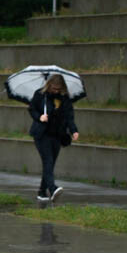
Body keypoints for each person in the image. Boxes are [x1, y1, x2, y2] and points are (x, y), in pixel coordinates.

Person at [28, 73, 79, 203]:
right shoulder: (40, 95)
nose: (56, 91)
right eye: (54, 88)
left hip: (57, 134)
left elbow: (69, 116)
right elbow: (32, 109)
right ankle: (52, 188)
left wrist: (73, 130)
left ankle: (41, 192)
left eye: (58, 89)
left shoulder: (65, 98)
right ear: (49, 85)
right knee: (48, 161)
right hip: (42, 134)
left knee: (50, 164)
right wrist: (40, 117)